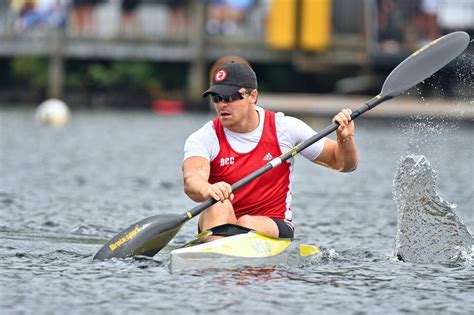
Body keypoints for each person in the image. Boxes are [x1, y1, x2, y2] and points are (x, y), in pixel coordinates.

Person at [182, 60, 358, 239]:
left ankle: (222, 252)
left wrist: (345, 138)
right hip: (220, 222)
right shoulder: (204, 137)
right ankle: (217, 257)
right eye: (216, 98)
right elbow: (192, 180)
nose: (222, 105)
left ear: (252, 96)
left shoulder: (285, 129)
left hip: (272, 223)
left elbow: (342, 163)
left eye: (230, 97)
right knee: (218, 204)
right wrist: (207, 189)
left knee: (246, 223)